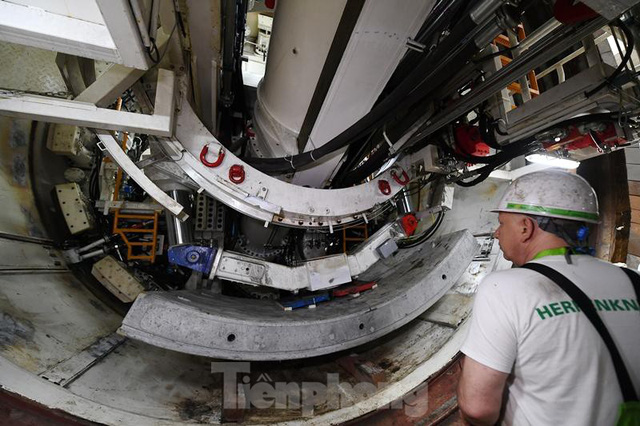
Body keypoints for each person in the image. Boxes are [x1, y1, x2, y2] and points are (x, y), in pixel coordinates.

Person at [456, 169, 639, 425]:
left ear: (525, 228)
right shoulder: (631, 281)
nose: (497, 233)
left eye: (502, 223)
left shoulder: (505, 287)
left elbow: (478, 408)